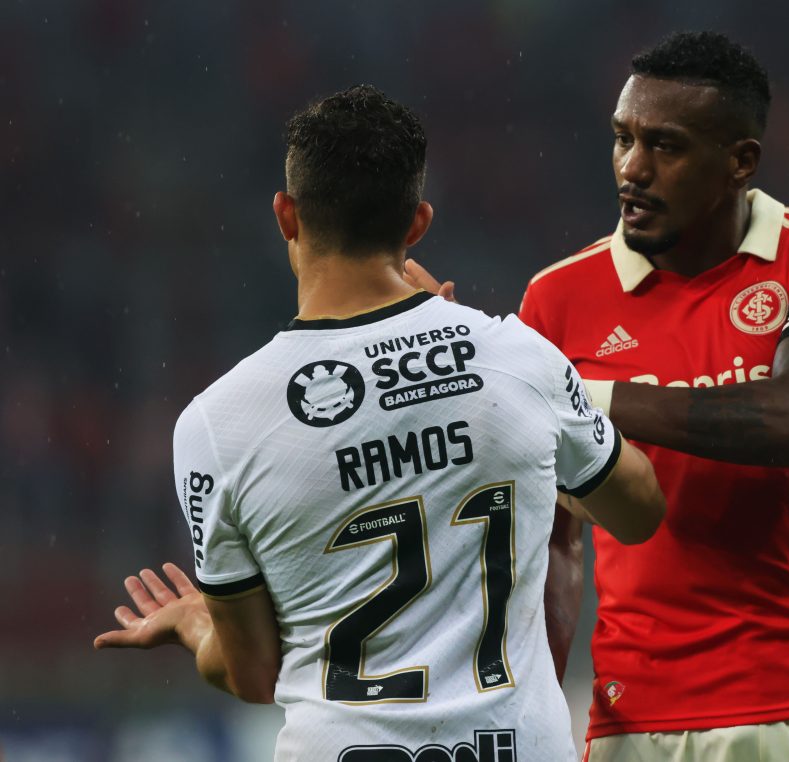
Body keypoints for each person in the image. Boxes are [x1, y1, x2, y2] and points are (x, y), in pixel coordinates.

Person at [93, 85, 665, 762]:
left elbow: (252, 673)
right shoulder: (517, 360)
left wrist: (195, 626)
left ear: (286, 215)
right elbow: (638, 510)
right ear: (417, 223)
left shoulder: (217, 423)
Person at [406, 31, 789, 761]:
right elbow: (555, 539)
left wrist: (580, 393)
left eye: (667, 146)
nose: (632, 168)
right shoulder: (559, 298)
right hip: (640, 720)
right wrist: (543, 713)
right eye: (622, 139)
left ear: (740, 161)